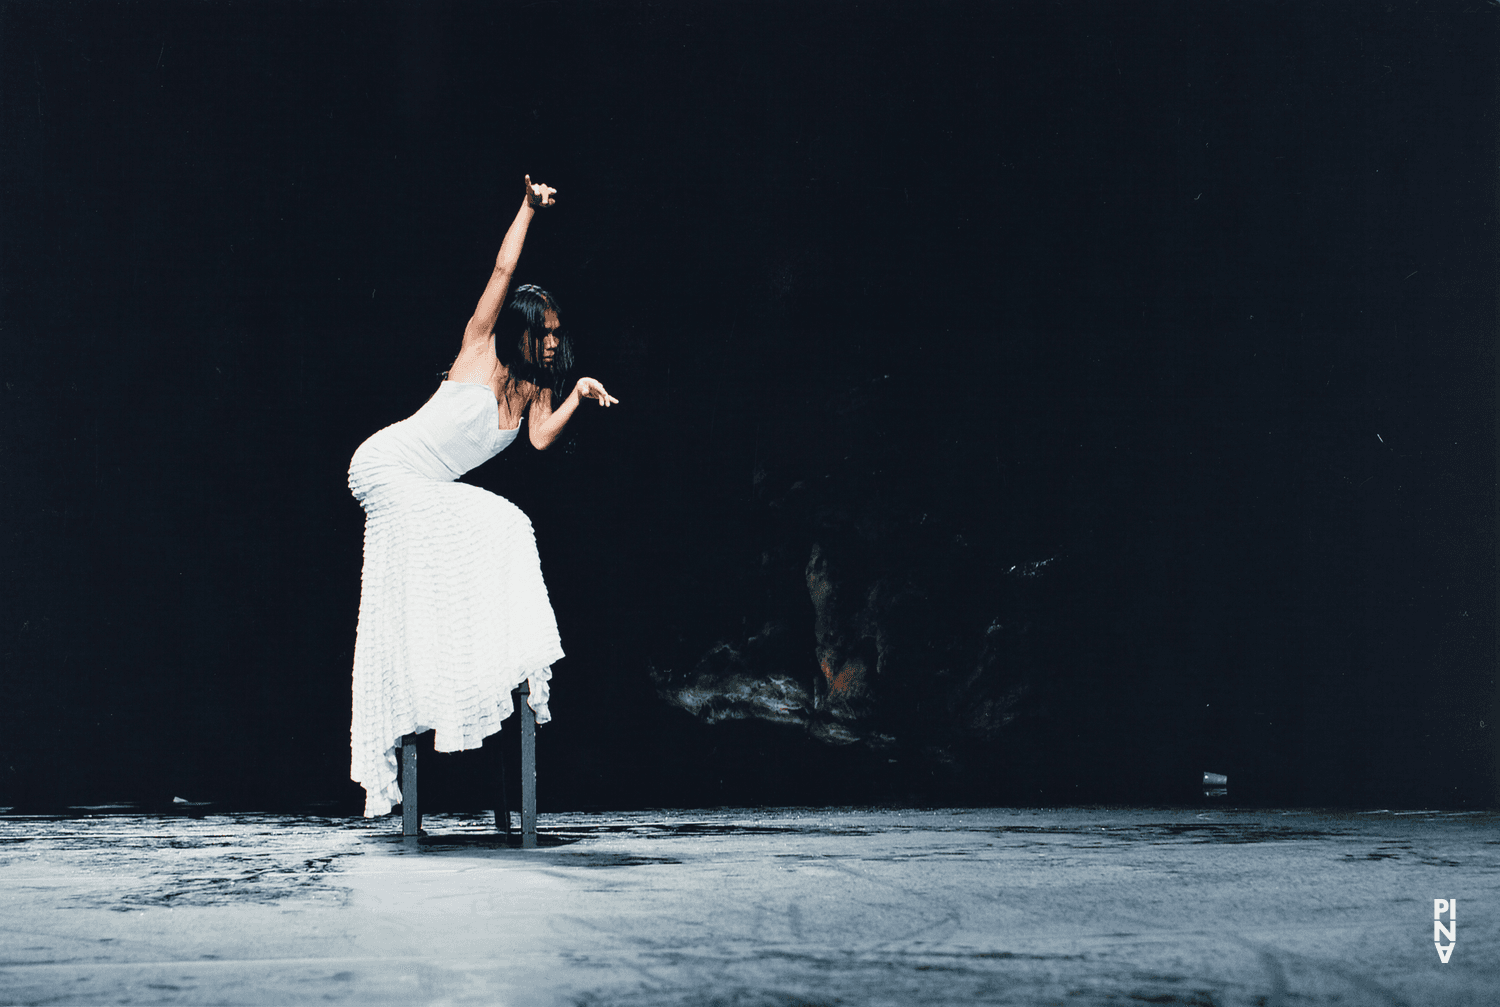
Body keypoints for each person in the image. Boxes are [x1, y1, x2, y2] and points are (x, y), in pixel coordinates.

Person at [346, 175, 616, 818]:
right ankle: (505, 644)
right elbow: (502, 269)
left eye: (558, 332)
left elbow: (543, 441)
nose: (553, 341)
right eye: (544, 331)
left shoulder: (532, 394)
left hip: (424, 492)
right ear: (521, 330)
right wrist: (527, 208)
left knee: (503, 525)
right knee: (507, 522)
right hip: (384, 465)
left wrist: (577, 393)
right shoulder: (479, 351)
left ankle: (482, 654)